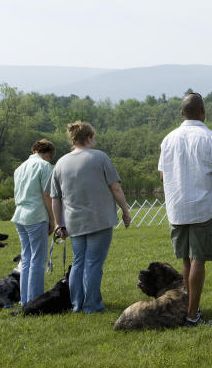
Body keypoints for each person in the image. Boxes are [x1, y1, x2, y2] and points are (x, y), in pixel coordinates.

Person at [158, 92, 212, 326]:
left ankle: (187, 308)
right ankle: (192, 314)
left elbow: (162, 175)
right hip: (203, 207)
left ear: (182, 113)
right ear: (203, 112)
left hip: (177, 207)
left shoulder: (168, 139)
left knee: (186, 260)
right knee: (199, 259)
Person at [50, 121, 131, 313]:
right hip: (99, 219)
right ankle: (92, 305)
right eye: (93, 137)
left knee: (78, 262)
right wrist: (125, 210)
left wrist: (58, 224)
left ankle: (77, 304)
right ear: (89, 137)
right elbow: (115, 187)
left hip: (74, 222)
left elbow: (55, 198)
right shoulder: (100, 157)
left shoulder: (60, 163)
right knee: (94, 262)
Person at [12, 139, 57, 306]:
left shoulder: (19, 168)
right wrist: (53, 219)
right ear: (48, 154)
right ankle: (35, 300)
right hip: (36, 215)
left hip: (20, 215)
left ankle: (25, 299)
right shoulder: (44, 166)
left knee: (26, 259)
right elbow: (47, 195)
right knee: (38, 260)